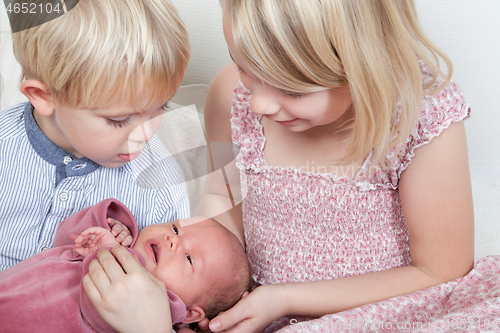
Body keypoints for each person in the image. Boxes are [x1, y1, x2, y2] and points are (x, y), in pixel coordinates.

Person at [73, 0, 500, 332]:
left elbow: (440, 270)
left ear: (363, 65)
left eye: (291, 89)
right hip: (260, 305)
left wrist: (285, 299)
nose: (259, 102)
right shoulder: (231, 96)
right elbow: (224, 198)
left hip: (382, 309)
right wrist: (203, 284)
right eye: (245, 68)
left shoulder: (418, 118)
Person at [0, 0, 191, 272]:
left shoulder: (160, 188)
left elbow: (166, 292)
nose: (145, 134)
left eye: (161, 107)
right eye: (118, 119)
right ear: (43, 96)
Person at [0, 198, 251, 333]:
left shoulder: (155, 307)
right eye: (176, 228)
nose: (172, 240)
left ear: (188, 313)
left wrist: (108, 252)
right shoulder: (123, 242)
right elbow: (64, 239)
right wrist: (105, 230)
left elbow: (103, 309)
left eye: (188, 258)